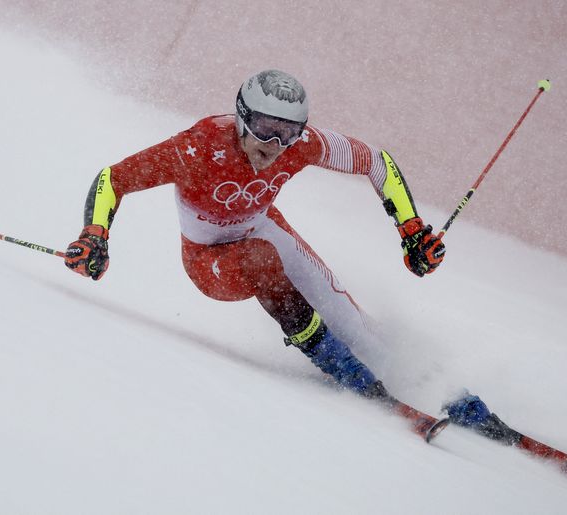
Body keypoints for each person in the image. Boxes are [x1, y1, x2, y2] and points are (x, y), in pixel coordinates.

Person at [64, 69, 445, 399]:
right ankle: (333, 359)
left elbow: (377, 163)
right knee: (260, 260)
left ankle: (424, 383)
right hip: (207, 257)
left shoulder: (302, 146)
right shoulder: (198, 147)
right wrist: (95, 235)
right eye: (265, 129)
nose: (274, 146)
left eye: (288, 133)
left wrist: (412, 231)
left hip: (263, 226)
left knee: (353, 321)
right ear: (242, 119)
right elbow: (113, 180)